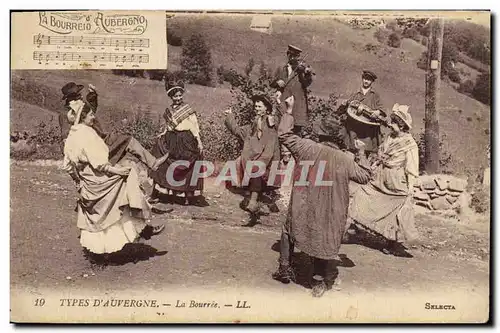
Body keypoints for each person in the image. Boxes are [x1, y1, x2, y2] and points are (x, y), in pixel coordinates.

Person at [272, 96, 372, 297]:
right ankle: (318, 281)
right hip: (330, 210)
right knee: (324, 236)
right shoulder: (345, 159)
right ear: (338, 137)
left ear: (320, 133)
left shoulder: (307, 147)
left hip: (303, 205)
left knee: (288, 228)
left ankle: (284, 267)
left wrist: (289, 111)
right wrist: (361, 153)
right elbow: (365, 176)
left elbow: (283, 134)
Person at [61, 100, 164, 261]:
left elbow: (67, 166)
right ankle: (143, 228)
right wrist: (118, 170)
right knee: (126, 186)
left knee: (99, 213)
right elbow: (100, 164)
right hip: (99, 178)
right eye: (91, 114)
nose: (94, 117)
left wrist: (78, 181)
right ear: (83, 117)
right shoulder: (88, 135)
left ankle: (100, 251)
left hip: (88, 182)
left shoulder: (71, 136)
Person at [348, 104, 420, 255]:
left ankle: (392, 242)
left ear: (402, 125)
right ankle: (354, 225)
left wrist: (411, 189)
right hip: (381, 176)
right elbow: (381, 155)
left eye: (394, 123)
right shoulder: (389, 137)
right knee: (363, 194)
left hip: (396, 179)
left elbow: (412, 168)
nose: (391, 125)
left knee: (394, 211)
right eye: (392, 122)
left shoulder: (410, 144)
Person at [60, 82, 169, 172]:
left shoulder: (80, 106)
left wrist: (93, 95)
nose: (81, 97)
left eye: (80, 95)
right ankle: (152, 163)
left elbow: (90, 111)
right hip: (92, 146)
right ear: (71, 99)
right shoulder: (66, 114)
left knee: (128, 139)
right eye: (78, 95)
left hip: (102, 138)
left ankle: (152, 163)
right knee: (127, 143)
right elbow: (66, 139)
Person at [149, 80, 205, 205]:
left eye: (180, 95)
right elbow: (168, 126)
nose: (178, 98)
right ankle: (157, 192)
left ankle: (187, 195)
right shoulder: (168, 111)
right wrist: (162, 134)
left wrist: (199, 141)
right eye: (175, 96)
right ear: (171, 97)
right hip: (172, 139)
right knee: (161, 158)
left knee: (186, 165)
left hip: (186, 139)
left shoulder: (187, 109)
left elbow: (194, 127)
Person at [224, 95, 281, 214]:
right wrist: (229, 116)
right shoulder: (252, 127)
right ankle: (256, 203)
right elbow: (237, 131)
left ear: (266, 108)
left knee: (260, 172)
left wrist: (278, 104)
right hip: (258, 158)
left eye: (260, 106)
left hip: (269, 157)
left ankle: (256, 202)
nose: (257, 108)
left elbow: (278, 120)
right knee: (255, 171)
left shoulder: (271, 122)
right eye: (255, 106)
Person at [337, 70, 386, 157]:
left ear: (372, 82)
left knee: (364, 153)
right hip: (354, 127)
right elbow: (346, 106)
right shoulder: (355, 93)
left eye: (369, 80)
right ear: (362, 79)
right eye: (365, 79)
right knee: (351, 151)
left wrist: (377, 112)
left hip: (367, 130)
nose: (366, 81)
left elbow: (382, 109)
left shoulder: (375, 95)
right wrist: (344, 104)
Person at [271, 44, 314, 136]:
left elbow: (307, 83)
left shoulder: (301, 70)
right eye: (291, 55)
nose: (293, 58)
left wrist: (307, 74)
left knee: (295, 134)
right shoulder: (281, 68)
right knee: (281, 130)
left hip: (297, 106)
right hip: (283, 104)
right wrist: (277, 82)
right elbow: (271, 82)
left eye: (295, 56)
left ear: (298, 57)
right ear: (288, 55)